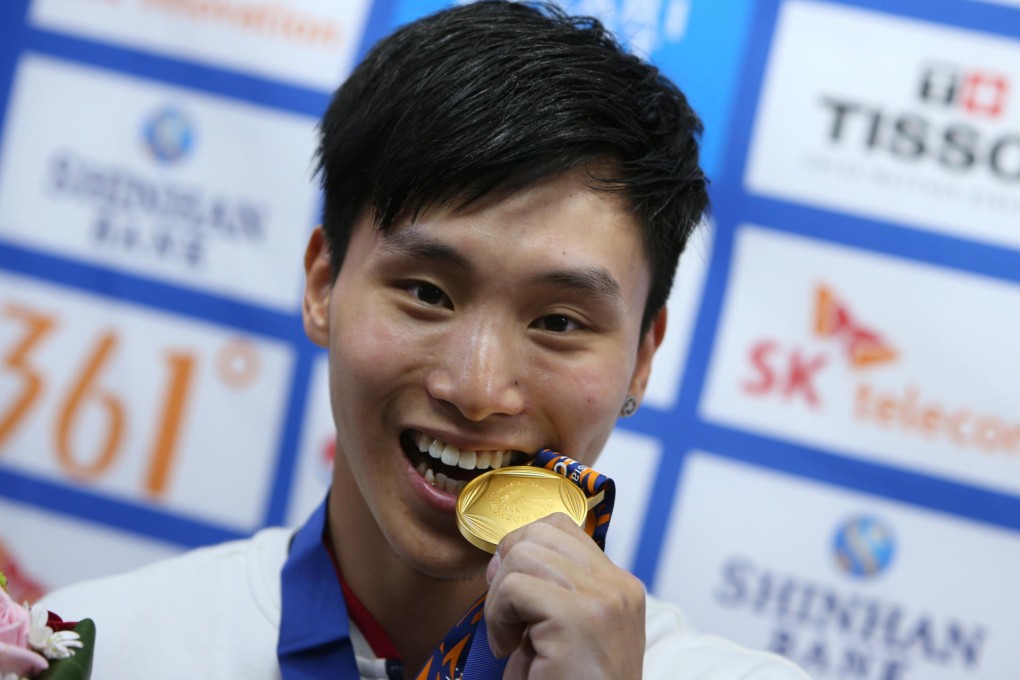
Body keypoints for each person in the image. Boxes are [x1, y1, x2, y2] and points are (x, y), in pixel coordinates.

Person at [41, 2, 810, 678]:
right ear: (322, 287)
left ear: (643, 356)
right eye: (427, 293)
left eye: (559, 322)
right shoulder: (98, 648)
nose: (477, 390)